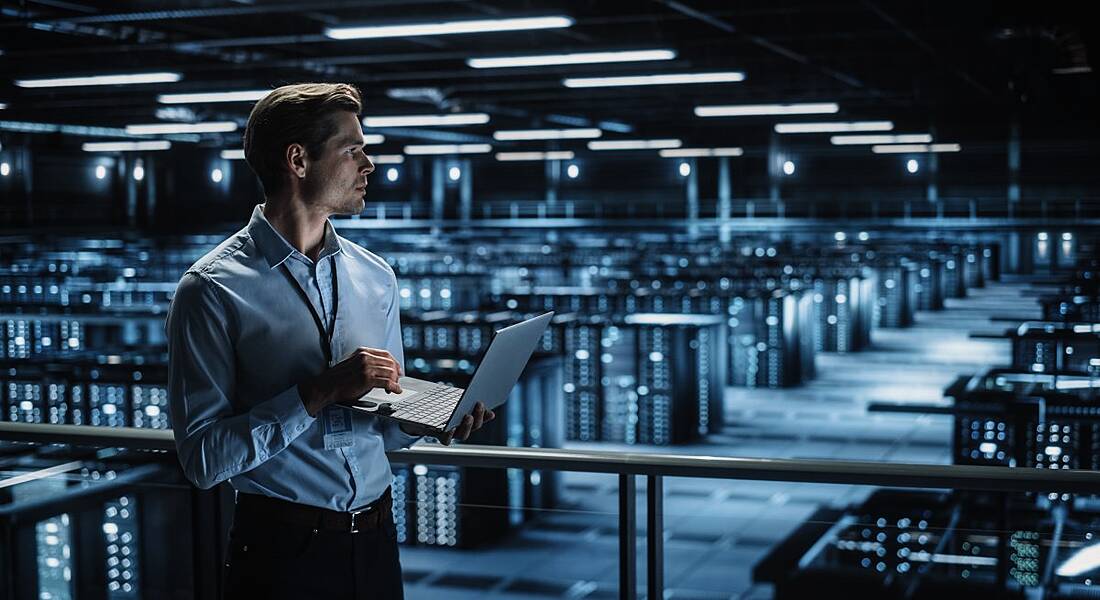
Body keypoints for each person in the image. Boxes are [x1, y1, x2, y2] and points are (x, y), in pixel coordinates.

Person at [165, 82, 494, 600]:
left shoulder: (376, 276)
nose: (369, 165)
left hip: (378, 540)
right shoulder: (211, 289)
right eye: (352, 150)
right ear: (298, 160)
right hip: (280, 553)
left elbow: (382, 423)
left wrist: (422, 420)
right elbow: (204, 459)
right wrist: (318, 392)